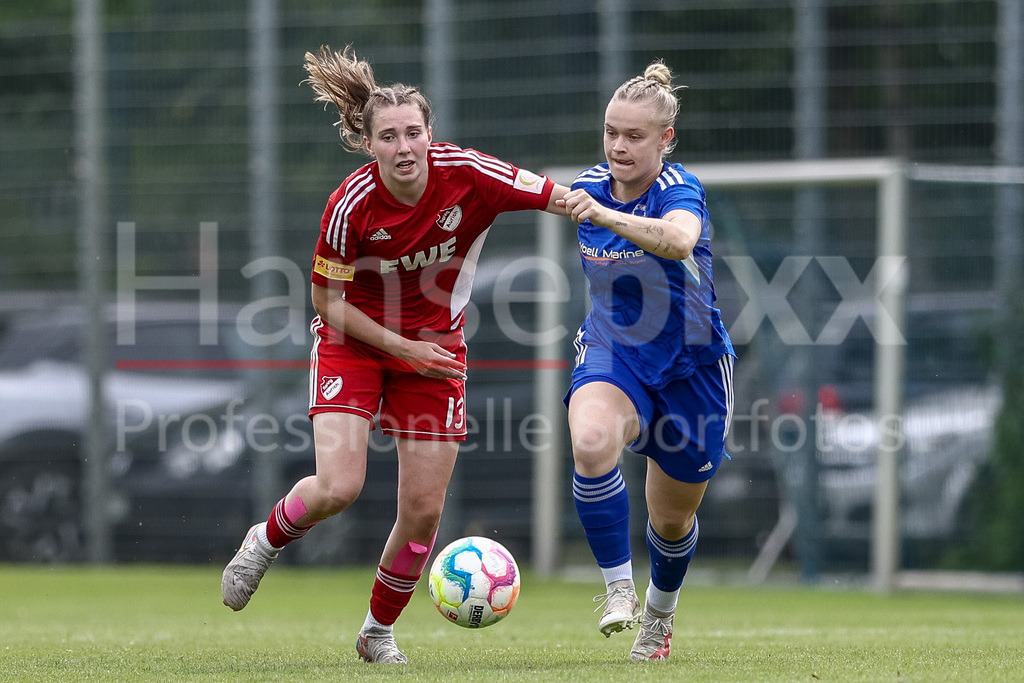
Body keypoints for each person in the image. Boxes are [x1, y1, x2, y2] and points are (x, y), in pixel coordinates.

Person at [221, 45, 569, 664]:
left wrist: (618, 213)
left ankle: (377, 633)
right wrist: (402, 347)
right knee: (339, 486)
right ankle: (266, 538)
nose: (405, 146)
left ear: (430, 135)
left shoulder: (468, 174)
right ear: (369, 144)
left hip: (435, 354)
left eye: (414, 132)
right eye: (390, 136)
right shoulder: (350, 205)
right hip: (354, 344)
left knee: (422, 511)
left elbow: (556, 196)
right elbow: (327, 302)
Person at [557, 60, 735, 661]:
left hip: (693, 366)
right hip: (615, 352)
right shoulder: (589, 181)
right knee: (590, 440)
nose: (618, 147)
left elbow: (680, 239)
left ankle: (659, 617)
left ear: (666, 140)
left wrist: (605, 215)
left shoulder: (679, 189)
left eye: (634, 136)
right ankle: (618, 590)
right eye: (611, 132)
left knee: (672, 521)